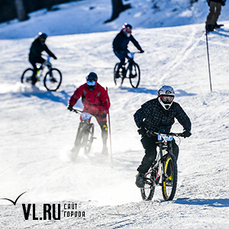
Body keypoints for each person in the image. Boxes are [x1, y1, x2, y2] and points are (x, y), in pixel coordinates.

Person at [133, 85, 192, 188]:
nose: (167, 101)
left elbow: (184, 118)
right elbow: (138, 114)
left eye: (170, 98)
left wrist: (187, 129)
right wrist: (142, 127)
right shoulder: (151, 105)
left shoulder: (175, 107)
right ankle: (141, 174)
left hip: (165, 134)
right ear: (160, 97)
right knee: (151, 153)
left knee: (174, 149)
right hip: (149, 134)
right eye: (165, 98)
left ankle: (169, 175)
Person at [67, 72, 110, 154]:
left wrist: (105, 112)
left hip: (99, 110)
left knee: (104, 126)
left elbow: (106, 102)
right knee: (82, 125)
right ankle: (76, 146)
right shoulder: (83, 88)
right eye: (88, 82)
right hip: (88, 109)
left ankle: (105, 147)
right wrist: (71, 104)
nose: (90, 85)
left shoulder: (101, 90)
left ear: (96, 82)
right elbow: (76, 95)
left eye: (93, 82)